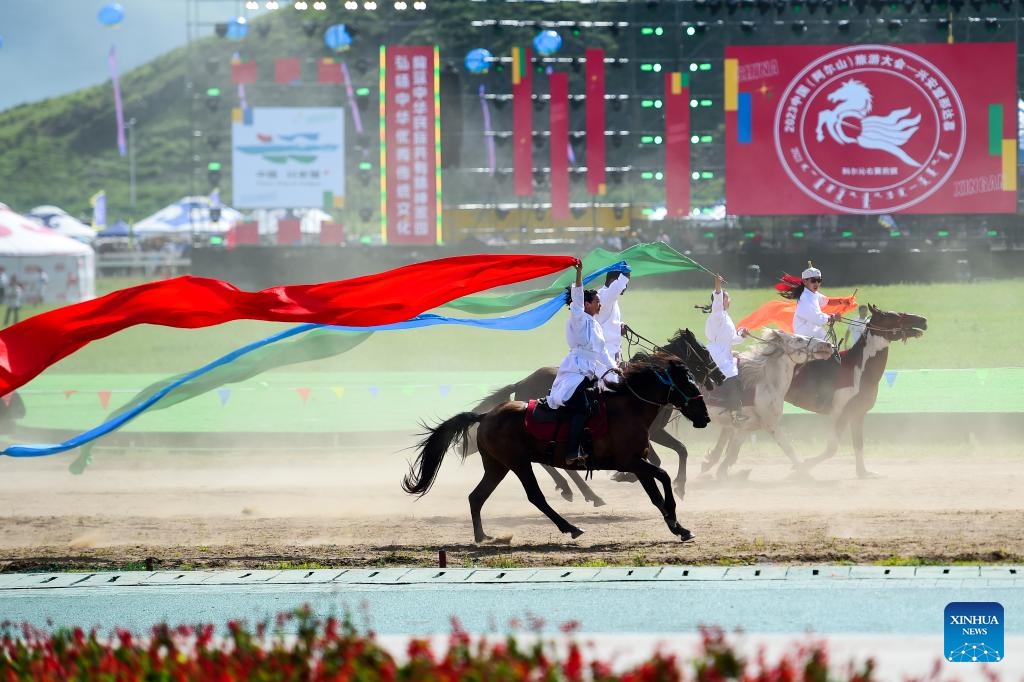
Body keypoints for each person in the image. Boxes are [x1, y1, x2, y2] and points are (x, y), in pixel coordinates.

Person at [546, 260, 617, 468]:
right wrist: (579, 274)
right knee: (583, 409)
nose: (600, 304)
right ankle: (571, 452)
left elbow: (602, 353)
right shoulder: (578, 318)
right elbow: (577, 296)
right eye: (596, 301)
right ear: (586, 305)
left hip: (590, 372)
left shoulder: (595, 325)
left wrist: (616, 371)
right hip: (575, 373)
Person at [705, 274, 749, 423]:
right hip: (717, 354)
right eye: (727, 298)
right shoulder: (717, 314)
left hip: (724, 352)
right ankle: (736, 412)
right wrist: (718, 285)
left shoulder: (725, 316)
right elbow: (717, 297)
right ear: (722, 301)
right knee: (733, 378)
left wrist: (742, 335)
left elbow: (730, 340)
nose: (729, 300)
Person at [777, 263, 840, 341]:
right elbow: (817, 318)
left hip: (813, 337)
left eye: (819, 280)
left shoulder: (812, 294)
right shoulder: (806, 298)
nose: (817, 283)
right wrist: (831, 317)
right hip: (805, 340)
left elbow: (826, 301)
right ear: (805, 281)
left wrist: (844, 301)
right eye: (813, 280)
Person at [595, 267, 631, 365]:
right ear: (612, 281)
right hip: (605, 355)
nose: (625, 287)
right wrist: (627, 271)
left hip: (613, 352)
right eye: (625, 284)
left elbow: (607, 322)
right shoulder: (604, 296)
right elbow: (620, 284)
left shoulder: (608, 297)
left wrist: (620, 326)